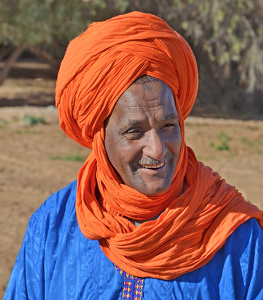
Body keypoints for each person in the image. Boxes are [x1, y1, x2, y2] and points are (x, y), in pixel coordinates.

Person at [4, 11, 263, 300]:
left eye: (168, 125)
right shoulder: (53, 227)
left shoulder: (237, 238)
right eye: (134, 132)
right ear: (100, 136)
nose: (157, 149)